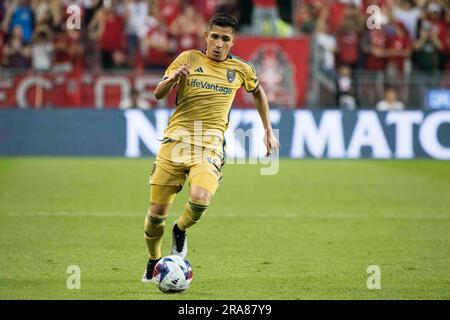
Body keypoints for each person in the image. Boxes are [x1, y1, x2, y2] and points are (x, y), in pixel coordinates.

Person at [141, 12, 279, 282]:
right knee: (156, 216)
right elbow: (158, 94)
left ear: (233, 41)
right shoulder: (188, 58)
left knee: (201, 197)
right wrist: (172, 79)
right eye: (214, 36)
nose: (218, 43)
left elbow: (258, 91)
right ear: (206, 36)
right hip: (174, 144)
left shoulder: (241, 69)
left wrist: (267, 130)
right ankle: (153, 261)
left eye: (225, 38)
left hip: (209, 146)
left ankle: (180, 230)